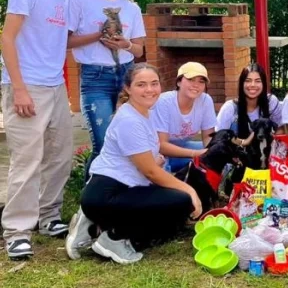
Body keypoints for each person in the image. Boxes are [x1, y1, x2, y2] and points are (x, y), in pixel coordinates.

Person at [0, 0, 86, 259]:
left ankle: (48, 217)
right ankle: (17, 231)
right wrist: (18, 87)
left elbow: (61, 43)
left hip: (55, 88)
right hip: (27, 86)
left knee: (59, 155)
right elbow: (7, 38)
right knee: (27, 160)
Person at [65, 64, 202, 264]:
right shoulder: (129, 120)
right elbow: (150, 172)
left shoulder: (145, 112)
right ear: (128, 88)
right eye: (141, 85)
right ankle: (113, 237)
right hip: (106, 194)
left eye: (154, 84)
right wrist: (190, 190)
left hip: (123, 189)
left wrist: (156, 161)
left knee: (171, 224)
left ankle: (94, 226)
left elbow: (140, 160)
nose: (149, 90)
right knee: (181, 201)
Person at [68, 0, 146, 180]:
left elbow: (140, 49)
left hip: (127, 76)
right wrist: (97, 36)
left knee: (128, 140)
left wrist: (125, 45)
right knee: (103, 143)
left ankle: (122, 194)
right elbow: (67, 41)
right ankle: (91, 203)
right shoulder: (79, 0)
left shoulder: (131, 7)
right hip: (95, 78)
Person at [152, 62, 216, 173]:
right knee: (162, 175)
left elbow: (208, 137)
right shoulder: (163, 102)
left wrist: (210, 153)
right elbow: (161, 145)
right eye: (191, 79)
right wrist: (195, 154)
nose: (196, 85)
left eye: (201, 81)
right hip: (158, 152)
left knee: (220, 152)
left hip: (183, 147)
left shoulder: (205, 100)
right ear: (179, 82)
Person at [216, 63, 283, 135]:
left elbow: (280, 130)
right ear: (242, 84)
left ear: (263, 84)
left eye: (257, 81)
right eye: (248, 81)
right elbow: (219, 138)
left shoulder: (271, 102)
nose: (252, 85)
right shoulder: (229, 108)